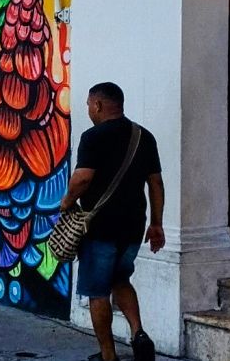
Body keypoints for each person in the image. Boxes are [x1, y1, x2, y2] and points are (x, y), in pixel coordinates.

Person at [61, 82, 163, 361]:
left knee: (98, 292)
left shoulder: (93, 137)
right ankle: (139, 334)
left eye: (88, 105)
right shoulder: (144, 137)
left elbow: (83, 178)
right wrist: (156, 224)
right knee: (120, 279)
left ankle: (108, 355)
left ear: (97, 105)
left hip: (100, 229)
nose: (88, 110)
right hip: (133, 227)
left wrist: (66, 202)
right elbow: (155, 183)